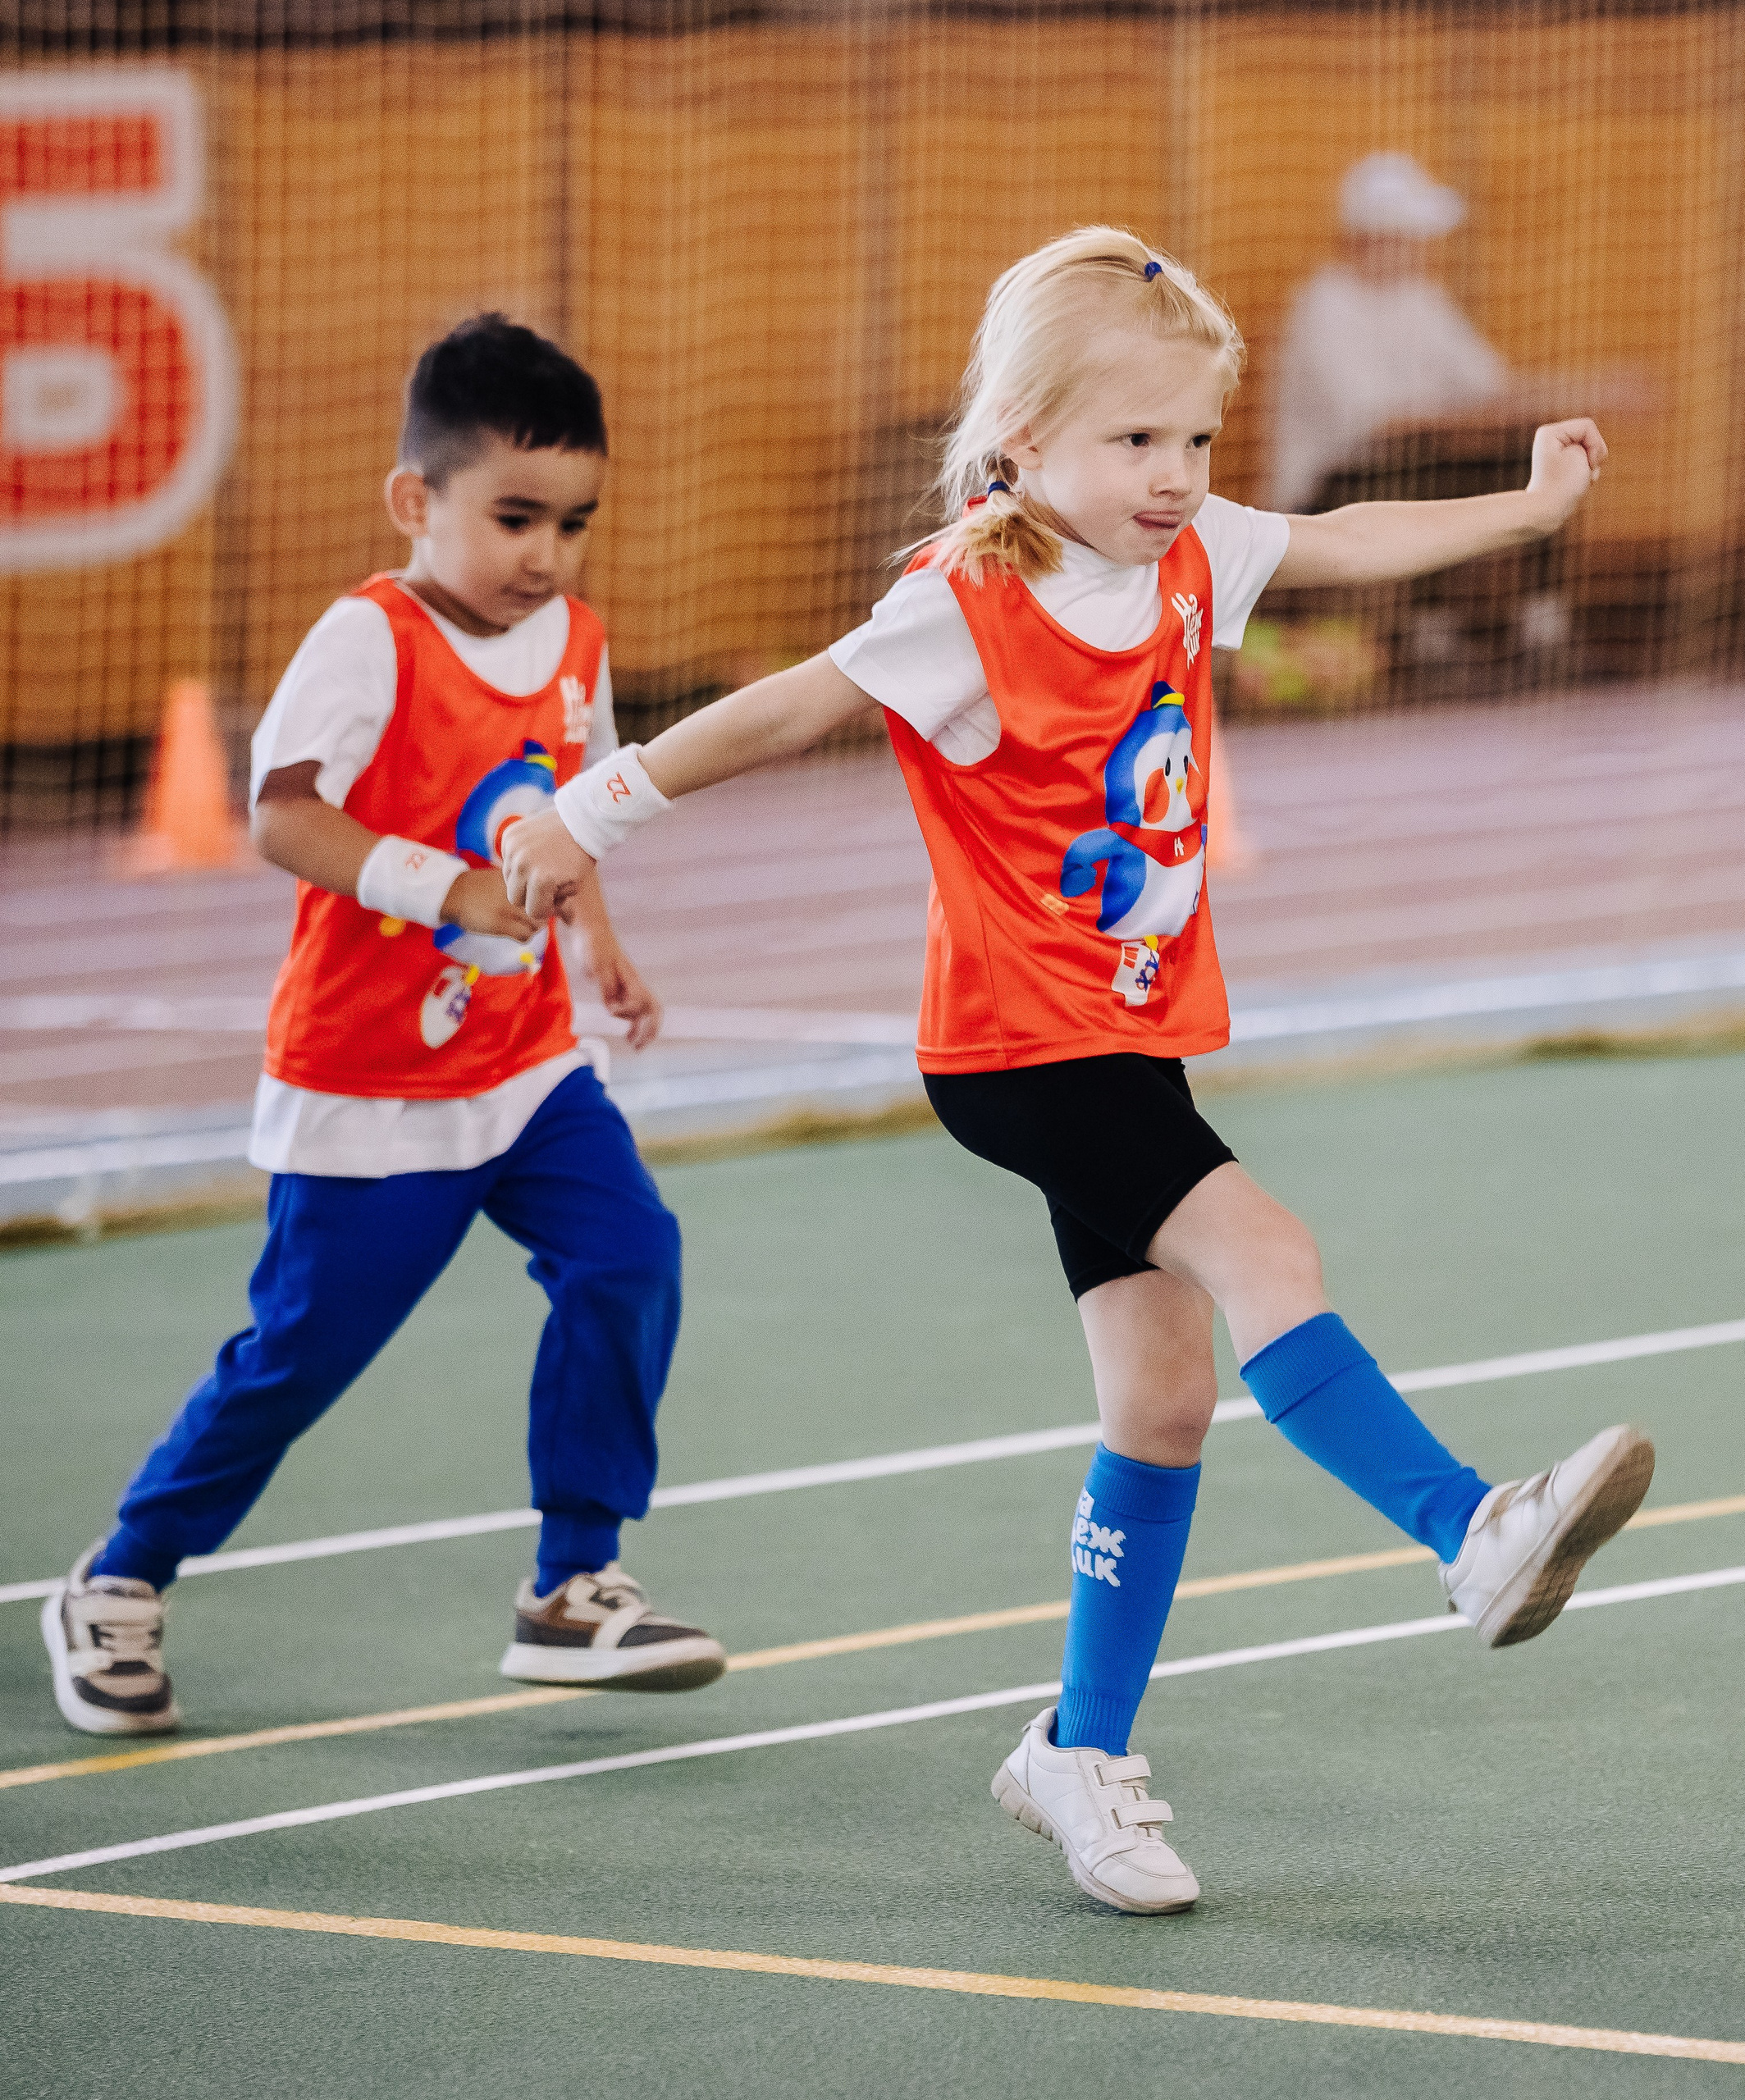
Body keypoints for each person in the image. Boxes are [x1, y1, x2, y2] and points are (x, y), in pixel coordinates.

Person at [504, 231, 1651, 1915]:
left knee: (1162, 1397)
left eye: (1193, 441)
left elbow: (1340, 537)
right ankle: (1468, 1527)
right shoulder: (960, 607)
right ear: (1022, 438)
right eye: (1133, 444)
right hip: (1020, 1047)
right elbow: (778, 710)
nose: (1175, 477)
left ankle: (1075, 1749)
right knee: (1265, 1253)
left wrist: (1526, 509)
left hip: (1117, 1031)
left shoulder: (1184, 559)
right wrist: (582, 807)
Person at [42, 315, 725, 1741]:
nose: (545, 553)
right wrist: (451, 886)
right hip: (369, 1084)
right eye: (515, 516)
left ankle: (573, 1581)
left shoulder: (576, 642)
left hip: (526, 1063)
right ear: (417, 501)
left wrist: (600, 943)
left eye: (574, 522)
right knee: (299, 1357)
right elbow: (282, 813)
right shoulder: (369, 639)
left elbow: (568, 810)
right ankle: (120, 1577)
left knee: (629, 1255)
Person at [1268, 153, 1512, 514]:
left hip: (1411, 474)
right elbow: (1378, 424)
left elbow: (1489, 386)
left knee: (1519, 471)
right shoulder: (1324, 305)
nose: (1420, 250)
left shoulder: (1423, 299)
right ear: (1372, 238)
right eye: (1410, 237)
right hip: (1331, 493)